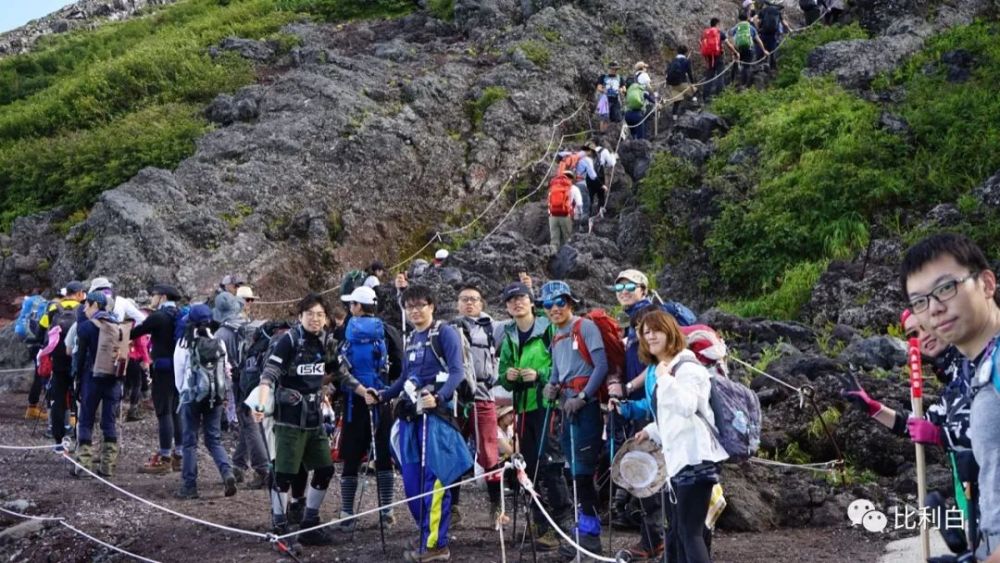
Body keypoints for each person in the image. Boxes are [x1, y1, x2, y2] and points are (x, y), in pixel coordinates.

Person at [839, 309, 976, 555]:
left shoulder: (978, 364)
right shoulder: (953, 384)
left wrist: (940, 435)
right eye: (914, 333)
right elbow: (915, 425)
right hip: (974, 502)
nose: (922, 336)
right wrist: (873, 408)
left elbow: (988, 428)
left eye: (925, 326)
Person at [900, 233, 1000, 560]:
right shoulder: (978, 372)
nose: (935, 308)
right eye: (920, 301)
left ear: (986, 283)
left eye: (946, 288)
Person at [379, 285, 473, 562]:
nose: (415, 311)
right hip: (410, 417)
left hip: (436, 419)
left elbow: (458, 372)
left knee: (433, 483)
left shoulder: (444, 333)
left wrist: (439, 398)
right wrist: (382, 394)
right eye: (410, 307)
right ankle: (427, 533)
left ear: (431, 306)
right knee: (411, 484)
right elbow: (403, 378)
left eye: (420, 305)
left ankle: (436, 545)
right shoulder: (412, 339)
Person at [635, 310, 728, 563]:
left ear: (670, 332)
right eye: (646, 332)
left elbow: (687, 405)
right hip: (679, 462)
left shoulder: (687, 368)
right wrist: (650, 431)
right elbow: (671, 418)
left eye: (656, 330)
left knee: (690, 533)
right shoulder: (668, 368)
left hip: (696, 460)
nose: (650, 336)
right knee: (676, 531)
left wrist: (665, 380)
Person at [252, 294, 339, 546]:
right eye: (310, 314)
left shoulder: (327, 342)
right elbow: (269, 374)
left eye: (320, 314)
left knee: (325, 469)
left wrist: (365, 392)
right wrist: (261, 403)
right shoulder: (288, 340)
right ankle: (279, 526)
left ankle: (309, 523)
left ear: (326, 319)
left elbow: (337, 371)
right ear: (300, 316)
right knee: (284, 474)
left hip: (314, 418)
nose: (315, 319)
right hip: (288, 419)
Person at [496, 281, 572, 552]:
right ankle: (542, 525)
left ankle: (563, 527)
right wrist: (508, 376)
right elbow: (502, 373)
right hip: (522, 407)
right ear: (506, 307)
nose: (517, 303)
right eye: (511, 300)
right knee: (527, 467)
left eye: (521, 298)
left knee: (550, 464)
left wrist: (539, 375)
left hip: (546, 404)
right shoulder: (509, 335)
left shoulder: (548, 328)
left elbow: (562, 363)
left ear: (531, 301)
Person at [539, 280, 607, 558]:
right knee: (572, 472)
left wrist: (586, 397)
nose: (554, 309)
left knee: (582, 474)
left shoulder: (585, 327)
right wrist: (550, 386)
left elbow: (601, 366)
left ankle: (590, 543)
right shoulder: (556, 334)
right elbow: (556, 371)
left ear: (570, 303)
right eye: (548, 305)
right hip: (566, 406)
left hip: (584, 408)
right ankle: (582, 540)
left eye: (560, 303)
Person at [336, 285, 397, 530]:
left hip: (354, 402)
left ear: (358, 307)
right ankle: (386, 512)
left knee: (351, 457)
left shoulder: (344, 332)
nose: (350, 308)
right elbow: (400, 367)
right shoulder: (388, 331)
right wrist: (386, 392)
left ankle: (347, 512)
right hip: (382, 400)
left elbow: (336, 366)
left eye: (351, 304)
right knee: (384, 456)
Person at [449, 283, 504, 525]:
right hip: (456, 400)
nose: (469, 303)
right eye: (464, 299)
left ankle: (496, 507)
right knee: (454, 453)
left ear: (481, 304)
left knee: (490, 454)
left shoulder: (494, 327)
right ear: (457, 304)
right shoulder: (448, 329)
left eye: (474, 299)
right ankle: (453, 508)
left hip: (483, 396)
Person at [172, 304, 238, 500]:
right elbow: (226, 370)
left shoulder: (184, 344)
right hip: (214, 396)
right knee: (213, 439)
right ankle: (227, 472)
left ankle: (189, 486)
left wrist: (183, 393)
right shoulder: (218, 342)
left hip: (191, 397)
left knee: (190, 441)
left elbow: (179, 375)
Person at [71, 292, 133, 478]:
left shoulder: (86, 328)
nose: (84, 308)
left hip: (92, 378)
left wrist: (76, 378)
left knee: (86, 420)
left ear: (96, 305)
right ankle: (108, 465)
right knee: (109, 422)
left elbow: (80, 356)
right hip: (114, 379)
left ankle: (83, 464)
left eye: (87, 305)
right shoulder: (117, 325)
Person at [131, 284, 184, 475]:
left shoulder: (158, 317)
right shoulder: (180, 315)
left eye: (153, 295)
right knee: (177, 411)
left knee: (164, 412)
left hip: (162, 370)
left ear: (161, 297)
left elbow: (136, 332)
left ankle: (164, 457)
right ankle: (179, 454)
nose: (152, 298)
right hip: (179, 370)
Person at [38, 281, 86, 449]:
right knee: (80, 397)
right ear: (79, 293)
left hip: (57, 360)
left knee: (58, 398)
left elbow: (40, 331)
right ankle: (80, 438)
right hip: (75, 358)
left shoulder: (53, 308)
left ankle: (58, 439)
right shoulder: (83, 309)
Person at [701, 18, 739, 99]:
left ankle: (705, 96)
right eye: (720, 25)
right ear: (717, 24)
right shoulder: (719, 33)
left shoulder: (706, 33)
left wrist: (706, 60)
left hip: (710, 58)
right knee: (720, 76)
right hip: (718, 57)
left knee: (709, 77)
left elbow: (703, 46)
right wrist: (736, 52)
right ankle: (719, 96)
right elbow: (728, 45)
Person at [729, 13, 769, 88]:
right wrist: (764, 50)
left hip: (738, 50)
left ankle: (732, 83)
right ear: (747, 19)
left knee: (735, 65)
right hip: (749, 49)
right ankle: (744, 85)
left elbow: (731, 41)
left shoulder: (734, 28)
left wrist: (733, 52)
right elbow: (758, 40)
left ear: (739, 19)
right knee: (746, 67)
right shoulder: (751, 28)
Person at [547, 169, 583, 253]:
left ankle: (552, 260)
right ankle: (564, 262)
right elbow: (579, 203)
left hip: (552, 216)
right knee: (566, 241)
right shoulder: (574, 188)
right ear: (572, 178)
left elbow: (549, 202)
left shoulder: (553, 187)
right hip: (566, 216)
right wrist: (578, 216)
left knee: (554, 241)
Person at [756, 1, 791, 71]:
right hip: (773, 34)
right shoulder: (777, 12)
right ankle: (773, 67)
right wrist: (790, 29)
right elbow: (784, 22)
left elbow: (756, 20)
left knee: (762, 47)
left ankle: (761, 65)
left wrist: (758, 29)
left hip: (763, 33)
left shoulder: (763, 10)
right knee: (773, 49)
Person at [665, 46, 698, 118]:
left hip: (673, 85)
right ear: (685, 52)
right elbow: (690, 73)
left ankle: (674, 119)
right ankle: (696, 108)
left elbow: (667, 71)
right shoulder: (686, 61)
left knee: (676, 102)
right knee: (695, 91)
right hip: (682, 84)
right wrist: (693, 83)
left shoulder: (673, 60)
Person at [595, 61, 625, 131]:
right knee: (604, 118)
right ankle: (603, 133)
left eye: (616, 69)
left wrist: (621, 90)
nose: (614, 71)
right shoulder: (603, 77)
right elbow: (598, 87)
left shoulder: (620, 78)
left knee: (617, 118)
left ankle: (613, 133)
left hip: (615, 100)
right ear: (609, 69)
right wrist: (603, 90)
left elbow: (624, 88)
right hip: (605, 100)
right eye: (613, 69)